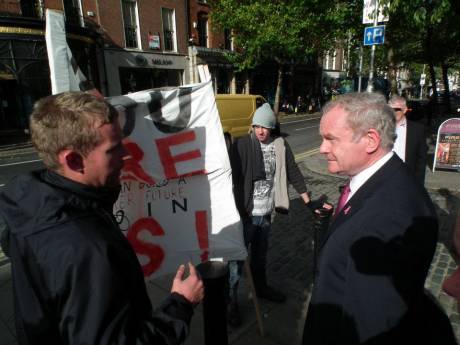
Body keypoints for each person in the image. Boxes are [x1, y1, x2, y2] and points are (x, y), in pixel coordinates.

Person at [0, 92, 204, 345]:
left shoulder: (33, 206)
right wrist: (180, 304)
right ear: (73, 160)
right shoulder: (85, 248)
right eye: (114, 148)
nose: (126, 155)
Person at [302, 92, 456, 344]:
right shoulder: (381, 181)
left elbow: (371, 324)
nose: (322, 148)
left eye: (331, 139)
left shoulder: (390, 215)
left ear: (370, 140)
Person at [228, 103, 319, 326]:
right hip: (246, 213)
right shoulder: (241, 144)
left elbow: (293, 172)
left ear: (272, 128)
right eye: (257, 126)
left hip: (266, 212)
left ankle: (261, 289)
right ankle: (230, 303)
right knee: (236, 263)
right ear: (252, 126)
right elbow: (227, 175)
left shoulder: (280, 145)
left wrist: (308, 202)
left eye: (265, 127)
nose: (261, 131)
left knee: (260, 256)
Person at [388, 95, 428, 183]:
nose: (392, 112)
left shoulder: (417, 130)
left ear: (405, 110)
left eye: (396, 109)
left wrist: (418, 184)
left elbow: (421, 159)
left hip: (406, 177)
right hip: (384, 176)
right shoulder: (382, 127)